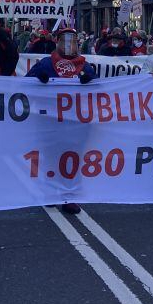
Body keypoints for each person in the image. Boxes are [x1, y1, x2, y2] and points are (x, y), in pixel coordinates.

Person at [27, 27, 95, 215]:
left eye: (72, 41)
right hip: (50, 122)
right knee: (50, 159)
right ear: (57, 43)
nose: (68, 45)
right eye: (65, 40)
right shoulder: (47, 63)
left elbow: (99, 91)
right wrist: (36, 78)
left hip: (76, 124)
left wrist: (91, 80)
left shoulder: (85, 66)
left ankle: (69, 196)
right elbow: (25, 85)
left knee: (72, 161)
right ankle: (49, 193)